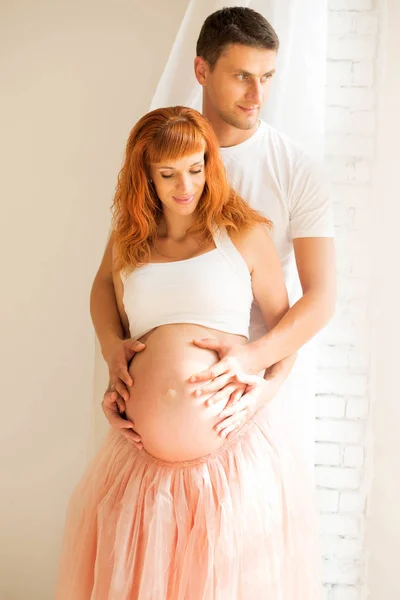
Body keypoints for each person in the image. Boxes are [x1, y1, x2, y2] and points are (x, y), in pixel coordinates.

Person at [55, 106, 320, 599]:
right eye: (168, 173)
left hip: (230, 460)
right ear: (145, 176)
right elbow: (100, 290)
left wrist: (264, 390)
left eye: (196, 169)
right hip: (139, 466)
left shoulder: (241, 233)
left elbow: (287, 332)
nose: (185, 186)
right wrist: (113, 349)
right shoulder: (130, 240)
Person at [92, 7, 336, 459]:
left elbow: (320, 297)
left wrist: (257, 366)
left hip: (243, 402)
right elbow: (110, 277)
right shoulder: (161, 153)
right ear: (201, 70)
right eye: (243, 76)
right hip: (149, 426)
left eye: (267, 77)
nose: (257, 94)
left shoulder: (296, 169)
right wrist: (114, 355)